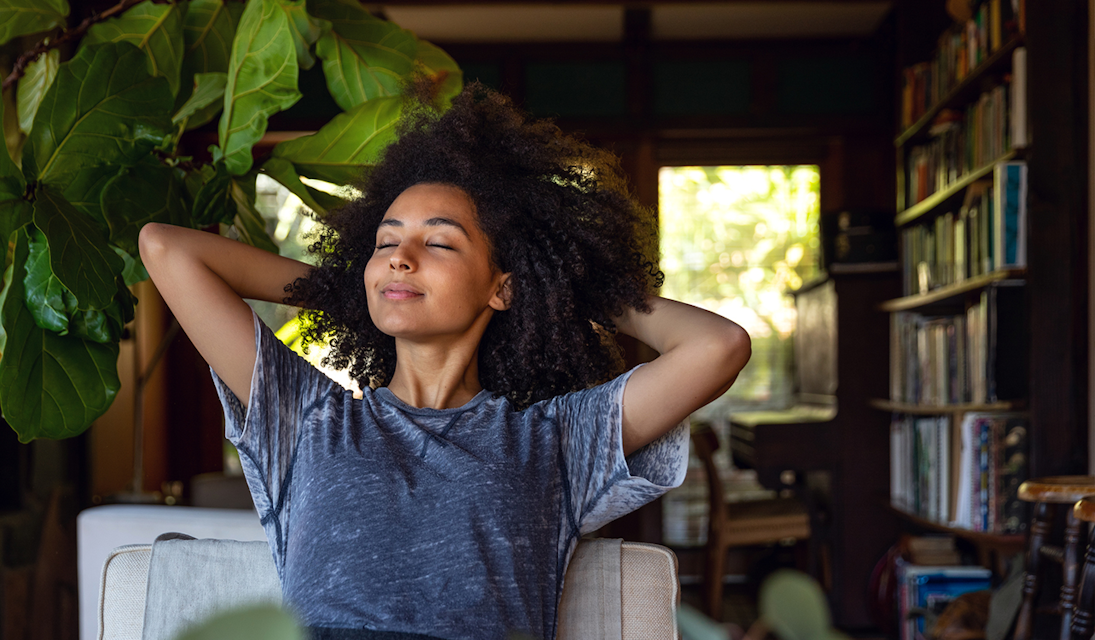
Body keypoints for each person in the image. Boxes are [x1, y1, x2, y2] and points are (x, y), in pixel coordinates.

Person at [139, 83, 751, 640]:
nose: (400, 257)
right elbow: (164, 248)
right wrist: (351, 289)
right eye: (384, 243)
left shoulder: (557, 442)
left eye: (437, 242)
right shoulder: (305, 417)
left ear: (502, 288)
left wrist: (563, 287)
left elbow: (717, 346)